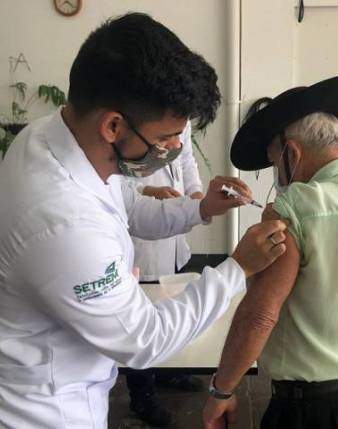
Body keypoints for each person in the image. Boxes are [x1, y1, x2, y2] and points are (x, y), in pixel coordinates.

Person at [0, 13, 288, 429]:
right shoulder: (61, 220)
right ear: (113, 125)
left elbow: (128, 206)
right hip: (36, 414)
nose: (173, 148)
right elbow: (145, 339)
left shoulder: (51, 137)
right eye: (165, 138)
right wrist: (237, 268)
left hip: (42, 385)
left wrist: (201, 208)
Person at [202, 75, 338, 429]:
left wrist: (222, 390)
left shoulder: (294, 206)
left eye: (275, 162)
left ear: (292, 153)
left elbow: (260, 315)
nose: (277, 174)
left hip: (316, 410)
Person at [124, 123, 205, 427]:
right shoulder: (131, 117)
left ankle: (169, 371)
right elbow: (115, 178)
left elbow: (186, 159)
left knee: (171, 304)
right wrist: (147, 190)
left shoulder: (181, 120)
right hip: (142, 232)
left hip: (173, 229)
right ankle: (142, 395)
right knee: (141, 319)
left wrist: (196, 194)